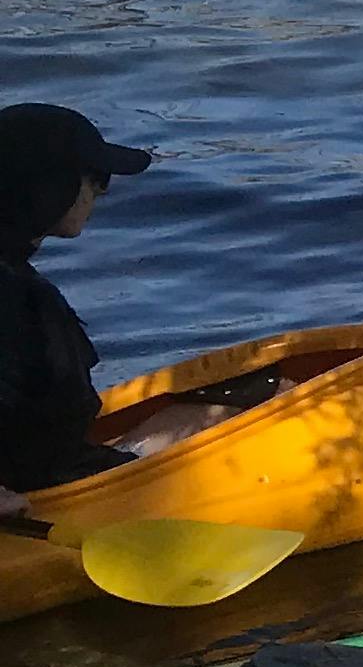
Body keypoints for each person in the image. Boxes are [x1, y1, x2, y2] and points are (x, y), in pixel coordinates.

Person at [0, 104, 221, 520]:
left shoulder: (14, 275)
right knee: (245, 409)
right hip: (55, 496)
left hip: (51, 468)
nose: (101, 192)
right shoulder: (11, 295)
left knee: (210, 407)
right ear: (48, 187)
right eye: (95, 178)